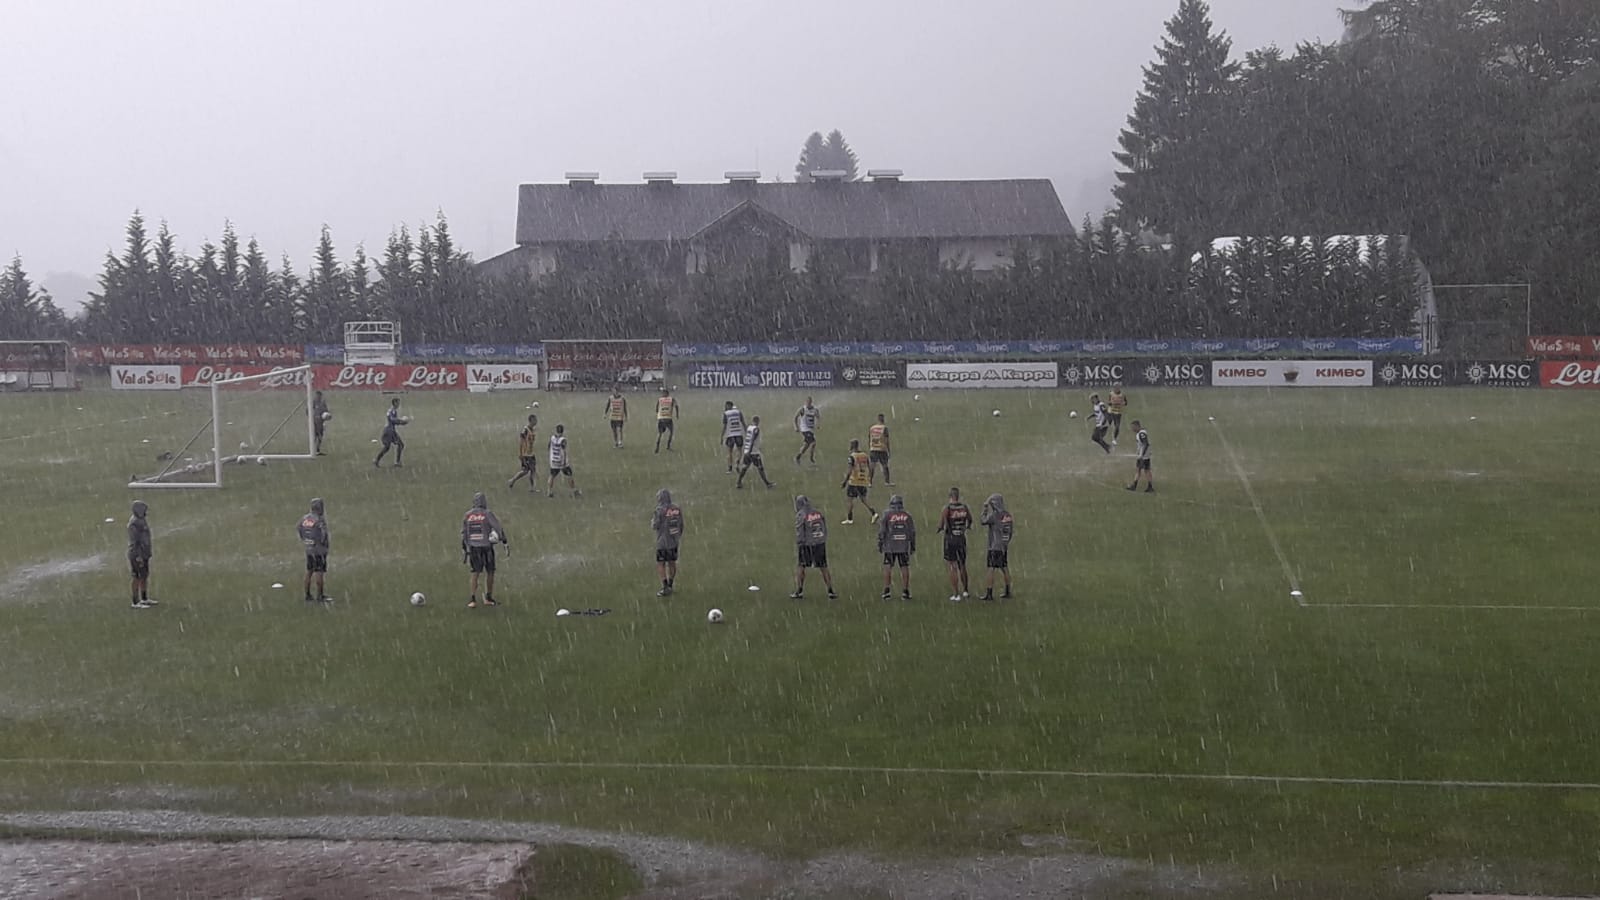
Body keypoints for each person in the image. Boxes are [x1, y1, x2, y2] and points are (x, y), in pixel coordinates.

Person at [461, 491, 508, 608]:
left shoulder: (467, 515)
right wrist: (504, 540)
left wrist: (465, 549)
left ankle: (472, 599)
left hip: (473, 548)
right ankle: (488, 597)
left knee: (475, 573)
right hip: (486, 547)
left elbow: (464, 533)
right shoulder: (487, 514)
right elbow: (498, 528)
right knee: (490, 572)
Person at [790, 494, 838, 600]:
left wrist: (800, 543)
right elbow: (824, 527)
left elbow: (800, 531)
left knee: (801, 566)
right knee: (823, 567)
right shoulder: (818, 513)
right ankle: (830, 590)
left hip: (807, 544)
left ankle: (799, 590)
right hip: (819, 543)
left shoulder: (801, 515)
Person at [936, 487, 974, 602]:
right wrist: (965, 528)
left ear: (950, 497)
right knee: (962, 564)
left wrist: (939, 529)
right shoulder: (964, 507)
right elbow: (970, 520)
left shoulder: (947, 508)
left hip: (950, 539)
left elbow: (941, 525)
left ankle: (956, 594)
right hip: (961, 538)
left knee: (952, 566)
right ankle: (966, 590)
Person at [877, 494, 915, 600]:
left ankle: (887, 590)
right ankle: (905, 591)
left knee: (888, 566)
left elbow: (882, 531)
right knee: (904, 566)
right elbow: (912, 532)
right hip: (903, 545)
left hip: (890, 545)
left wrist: (880, 543)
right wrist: (912, 545)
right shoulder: (907, 515)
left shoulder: (887, 514)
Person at [979, 493, 1014, 601]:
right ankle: (1008, 591)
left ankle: (989, 593)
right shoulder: (1008, 515)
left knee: (991, 569)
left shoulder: (994, 516)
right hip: (1003, 546)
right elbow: (1011, 532)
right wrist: (1006, 542)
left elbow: (983, 521)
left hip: (994, 546)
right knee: (1004, 568)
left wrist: (985, 509)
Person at [651, 488, 685, 596]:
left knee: (661, 563)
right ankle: (671, 584)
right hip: (673, 541)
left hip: (662, 541)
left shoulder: (659, 510)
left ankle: (665, 586)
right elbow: (681, 524)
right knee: (672, 562)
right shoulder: (676, 509)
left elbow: (655, 525)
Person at [297, 497, 331, 604]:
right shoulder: (319, 520)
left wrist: (306, 540)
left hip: (309, 549)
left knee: (309, 571)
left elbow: (299, 528)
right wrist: (323, 544)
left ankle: (307, 595)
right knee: (319, 572)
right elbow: (323, 534)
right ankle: (320, 596)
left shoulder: (305, 518)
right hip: (319, 550)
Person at [840, 439, 878, 525]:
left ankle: (849, 519)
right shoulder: (864, 455)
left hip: (854, 481)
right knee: (864, 499)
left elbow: (850, 470)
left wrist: (845, 481)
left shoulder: (852, 456)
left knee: (850, 500)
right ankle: (874, 513)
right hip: (863, 481)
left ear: (852, 446)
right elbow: (870, 467)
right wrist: (869, 479)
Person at [127, 499, 156, 609]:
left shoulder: (141, 520)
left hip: (144, 553)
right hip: (137, 554)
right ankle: (135, 601)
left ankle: (144, 598)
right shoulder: (134, 523)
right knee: (137, 577)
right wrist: (138, 555)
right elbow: (135, 541)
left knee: (144, 575)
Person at [735, 415, 775, 489]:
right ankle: (767, 484)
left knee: (745, 468)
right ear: (758, 421)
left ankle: (738, 482)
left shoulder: (749, 428)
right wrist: (750, 450)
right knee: (760, 468)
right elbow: (753, 439)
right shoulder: (756, 429)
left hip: (747, 451)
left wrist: (747, 451)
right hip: (754, 452)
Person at [546, 424, 582, 497]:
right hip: (562, 462)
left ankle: (549, 491)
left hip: (553, 461)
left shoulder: (552, 438)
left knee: (552, 475)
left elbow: (549, 446)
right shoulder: (563, 440)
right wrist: (565, 462)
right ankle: (574, 490)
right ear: (563, 431)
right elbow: (563, 450)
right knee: (569, 475)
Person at [507, 414, 539, 492]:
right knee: (529, 471)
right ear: (531, 420)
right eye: (535, 420)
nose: (536, 421)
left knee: (529, 470)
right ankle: (514, 481)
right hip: (526, 454)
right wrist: (521, 454)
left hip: (531, 453)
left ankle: (514, 481)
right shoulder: (525, 430)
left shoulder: (532, 429)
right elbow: (521, 442)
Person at [373, 397, 407, 467]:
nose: (399, 405)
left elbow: (394, 421)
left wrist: (402, 422)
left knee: (390, 447)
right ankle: (396, 462)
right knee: (396, 446)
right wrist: (401, 421)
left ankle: (377, 460)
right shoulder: (392, 411)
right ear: (394, 403)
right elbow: (392, 420)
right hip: (389, 431)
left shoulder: (392, 410)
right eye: (398, 403)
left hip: (390, 430)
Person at [1126, 419, 1155, 493]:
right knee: (1146, 470)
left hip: (1143, 457)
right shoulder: (1142, 433)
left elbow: (1146, 444)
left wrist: (1142, 455)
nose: (1132, 429)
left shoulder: (1141, 434)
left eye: (1133, 427)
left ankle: (1134, 486)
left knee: (1139, 470)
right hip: (1145, 456)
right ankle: (1149, 487)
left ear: (1137, 426)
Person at [793, 397, 821, 465]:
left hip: (810, 430)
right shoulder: (802, 409)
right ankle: (811, 459)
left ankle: (798, 457)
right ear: (805, 402)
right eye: (807, 402)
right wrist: (796, 427)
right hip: (804, 429)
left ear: (811, 402)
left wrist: (817, 424)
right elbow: (795, 418)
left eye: (809, 402)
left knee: (806, 445)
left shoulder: (815, 409)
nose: (808, 403)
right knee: (813, 443)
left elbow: (818, 417)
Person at [867, 413, 893, 485]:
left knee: (872, 466)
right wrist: (889, 450)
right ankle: (887, 482)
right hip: (882, 448)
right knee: (885, 465)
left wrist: (870, 447)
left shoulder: (872, 428)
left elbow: (869, 438)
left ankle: (870, 482)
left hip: (873, 448)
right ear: (883, 419)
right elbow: (887, 440)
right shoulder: (884, 428)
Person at [721, 400, 746, 473]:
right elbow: (743, 423)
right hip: (738, 433)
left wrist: (722, 436)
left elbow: (725, 426)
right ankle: (737, 463)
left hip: (730, 434)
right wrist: (747, 432)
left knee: (729, 452)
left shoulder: (726, 414)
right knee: (739, 450)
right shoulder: (739, 412)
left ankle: (730, 468)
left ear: (728, 406)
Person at [654, 387, 679, 453]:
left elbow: (656, 409)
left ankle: (657, 447)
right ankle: (668, 446)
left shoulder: (660, 399)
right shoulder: (671, 399)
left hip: (661, 418)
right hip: (668, 418)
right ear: (668, 393)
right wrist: (677, 414)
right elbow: (676, 406)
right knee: (671, 432)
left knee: (660, 434)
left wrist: (660, 413)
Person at [312, 390, 331, 456]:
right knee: (315, 436)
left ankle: (317, 450)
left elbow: (327, 412)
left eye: (319, 396)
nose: (318, 397)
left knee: (320, 437)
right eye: (317, 395)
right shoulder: (313, 402)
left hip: (321, 422)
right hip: (314, 422)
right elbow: (308, 411)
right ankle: (313, 450)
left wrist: (327, 416)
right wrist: (312, 417)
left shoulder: (323, 403)